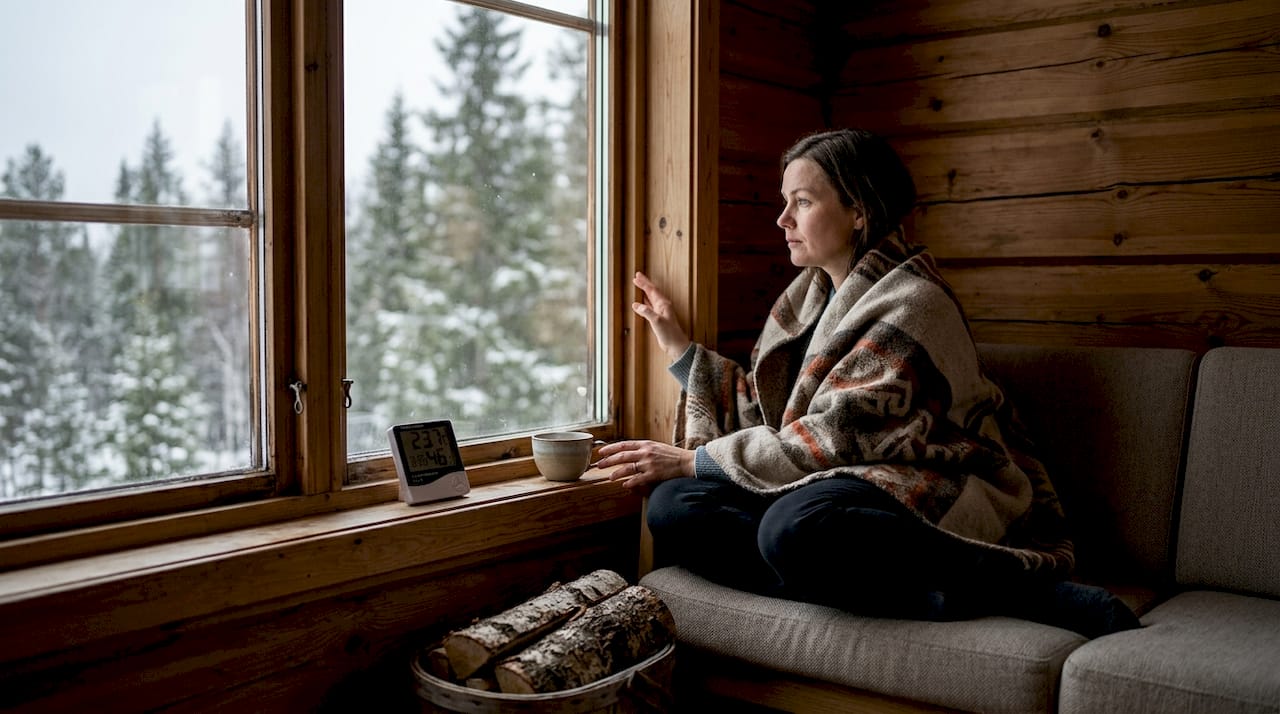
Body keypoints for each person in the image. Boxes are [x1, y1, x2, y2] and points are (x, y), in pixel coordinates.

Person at [594, 128, 1139, 638]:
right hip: (836, 476)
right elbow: (768, 412)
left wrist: (693, 458)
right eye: (785, 202)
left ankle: (1021, 591)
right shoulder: (804, 300)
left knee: (793, 526)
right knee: (673, 508)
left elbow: (839, 432)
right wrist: (678, 349)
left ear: (858, 210)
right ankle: (908, 594)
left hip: (925, 474)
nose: (782, 219)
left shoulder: (915, 304)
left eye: (802, 202)